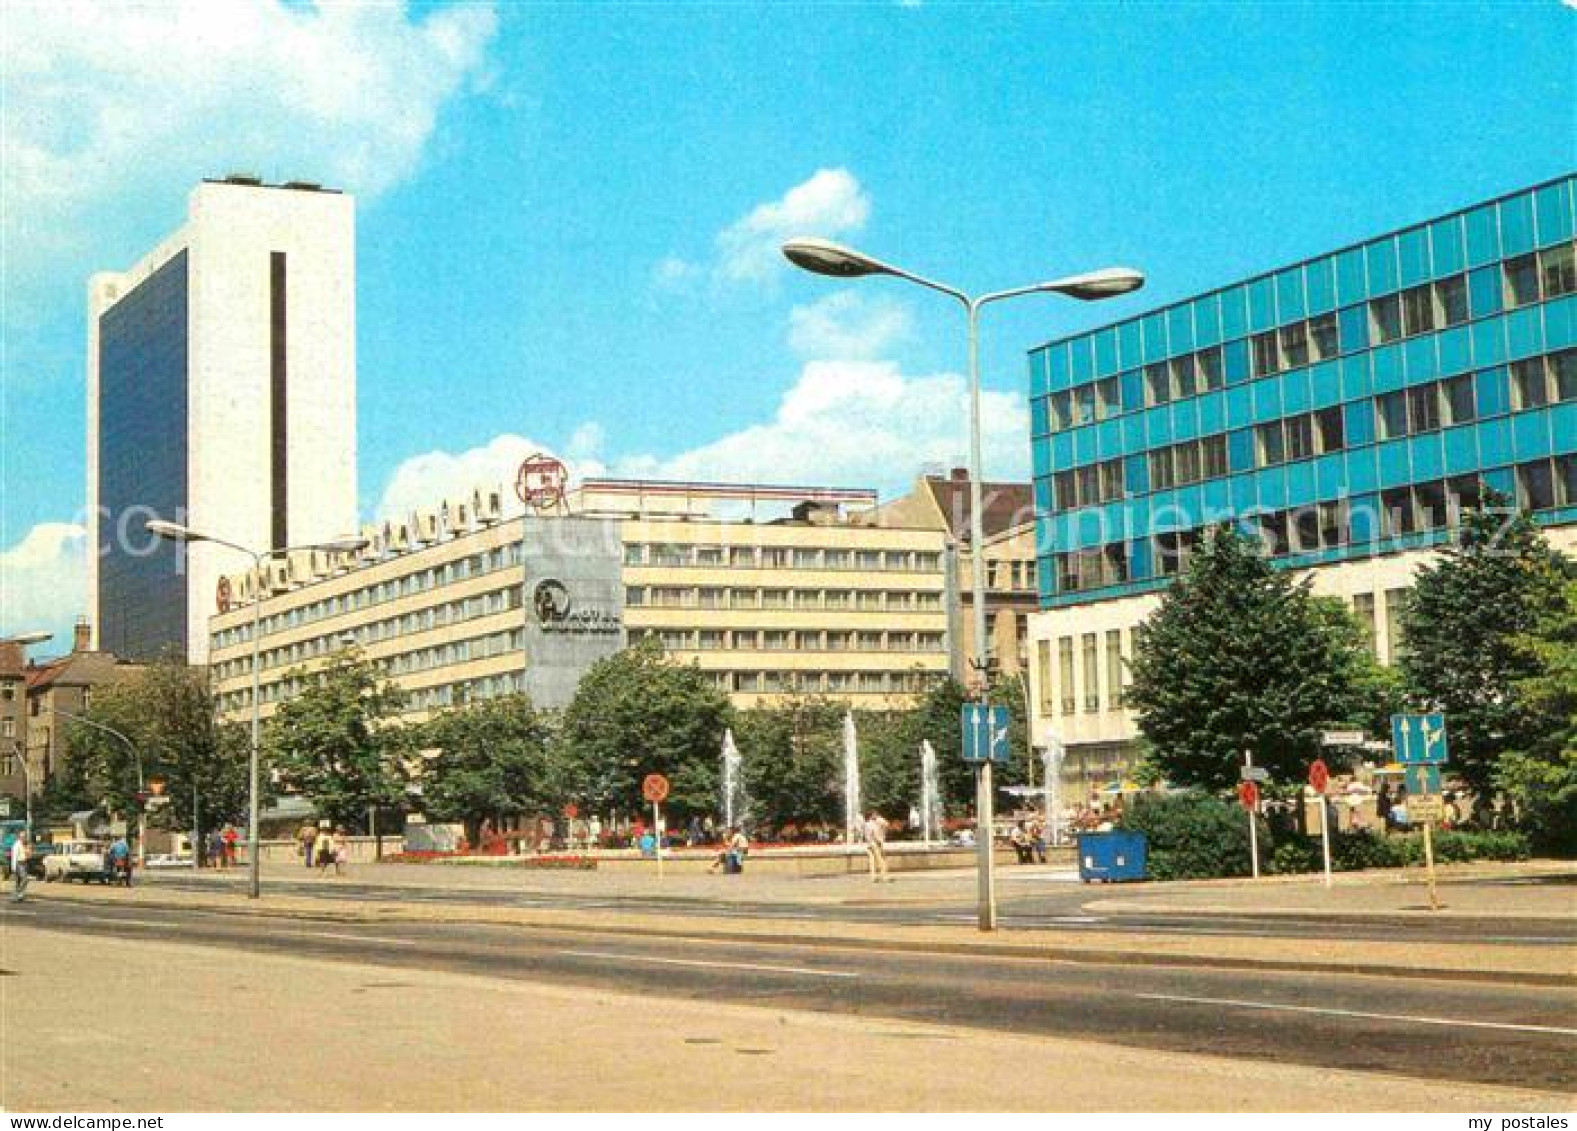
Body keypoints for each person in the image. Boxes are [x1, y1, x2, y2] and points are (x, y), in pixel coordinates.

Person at [862, 810, 891, 883]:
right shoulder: (873, 824)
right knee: (881, 860)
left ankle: (873, 877)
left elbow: (886, 824)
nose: (877, 815)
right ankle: (884, 876)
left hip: (869, 844)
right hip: (875, 844)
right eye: (875, 814)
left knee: (872, 861)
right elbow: (875, 833)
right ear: (871, 816)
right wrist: (879, 841)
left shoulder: (867, 824)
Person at [10, 831, 30, 902]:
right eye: (22, 836)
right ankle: (17, 894)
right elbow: (14, 856)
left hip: (24, 863)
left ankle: (18, 896)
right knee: (25, 879)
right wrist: (13, 867)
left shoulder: (25, 844)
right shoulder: (16, 845)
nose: (24, 838)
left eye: (24, 836)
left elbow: (28, 854)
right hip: (19, 864)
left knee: (18, 881)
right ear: (19, 837)